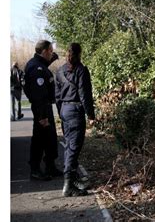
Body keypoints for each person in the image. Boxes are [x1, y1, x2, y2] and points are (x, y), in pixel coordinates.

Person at [55, 43, 95, 197]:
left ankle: (72, 178)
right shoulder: (81, 71)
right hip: (76, 111)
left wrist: (61, 112)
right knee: (73, 147)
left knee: (69, 146)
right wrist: (90, 114)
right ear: (80, 53)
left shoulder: (60, 71)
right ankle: (68, 185)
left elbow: (57, 96)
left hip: (65, 110)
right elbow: (85, 95)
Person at [23, 40, 62, 181]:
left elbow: (45, 65)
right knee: (39, 140)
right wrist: (42, 116)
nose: (52, 53)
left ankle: (50, 166)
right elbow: (39, 95)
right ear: (44, 51)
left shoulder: (39, 64)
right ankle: (35, 169)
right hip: (42, 109)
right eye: (50, 51)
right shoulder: (36, 69)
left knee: (50, 138)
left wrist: (53, 58)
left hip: (45, 108)